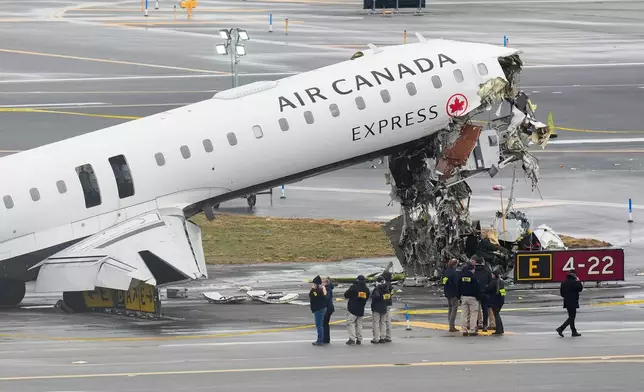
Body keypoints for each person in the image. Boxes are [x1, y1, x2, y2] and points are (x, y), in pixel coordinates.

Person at [344, 275, 370, 345]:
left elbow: (346, 295)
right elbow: (366, 298)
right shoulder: (366, 289)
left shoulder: (353, 287)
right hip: (361, 308)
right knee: (359, 324)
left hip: (352, 308)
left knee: (351, 323)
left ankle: (352, 339)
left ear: (357, 280)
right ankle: (359, 339)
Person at [557, 269, 583, 337]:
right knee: (572, 317)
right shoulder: (574, 282)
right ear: (574, 275)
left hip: (566, 301)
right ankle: (561, 328)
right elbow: (580, 288)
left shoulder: (563, 282)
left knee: (571, 317)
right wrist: (578, 281)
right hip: (573, 301)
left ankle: (573, 331)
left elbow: (562, 294)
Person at [458, 263, 480, 336]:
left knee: (464, 313)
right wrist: (478, 297)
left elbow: (458, 287)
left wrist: (459, 297)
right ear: (472, 270)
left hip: (463, 297)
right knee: (473, 313)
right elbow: (476, 288)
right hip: (472, 297)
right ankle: (472, 329)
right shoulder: (473, 277)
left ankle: (464, 329)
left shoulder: (461, 277)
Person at [474, 258, 492, 332]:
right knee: (485, 310)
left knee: (475, 310)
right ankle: (485, 325)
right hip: (485, 293)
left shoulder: (473, 271)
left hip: (475, 293)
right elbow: (490, 283)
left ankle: (477, 325)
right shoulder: (487, 271)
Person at [442, 258, 459, 332]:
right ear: (455, 264)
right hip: (453, 293)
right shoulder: (454, 273)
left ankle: (450, 324)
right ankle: (452, 326)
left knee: (450, 309)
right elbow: (456, 284)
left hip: (447, 292)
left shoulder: (446, 271)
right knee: (454, 310)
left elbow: (444, 281)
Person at [309, 275, 327, 346]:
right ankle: (321, 339)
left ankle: (320, 340)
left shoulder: (318, 290)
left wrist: (313, 290)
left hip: (319, 309)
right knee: (320, 325)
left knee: (319, 325)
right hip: (320, 308)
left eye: (314, 283)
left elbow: (315, 297)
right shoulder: (321, 288)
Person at [486, 270, 506, 335]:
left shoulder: (493, 282)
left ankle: (499, 330)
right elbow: (503, 293)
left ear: (494, 275)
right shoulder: (501, 282)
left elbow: (488, 290)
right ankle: (501, 329)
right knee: (497, 315)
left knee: (496, 315)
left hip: (494, 301)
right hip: (500, 301)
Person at [370, 276, 388, 344]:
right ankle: (382, 337)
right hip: (384, 307)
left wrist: (372, 296)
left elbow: (376, 296)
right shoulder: (386, 288)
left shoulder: (377, 288)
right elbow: (387, 297)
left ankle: (376, 338)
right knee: (383, 323)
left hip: (376, 307)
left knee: (376, 323)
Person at [381, 270, 394, 343]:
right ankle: (388, 336)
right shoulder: (391, 285)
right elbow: (391, 294)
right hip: (389, 303)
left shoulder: (386, 285)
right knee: (388, 320)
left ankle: (385, 336)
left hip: (385, 304)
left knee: (384, 321)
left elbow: (385, 295)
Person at [322, 277, 335, 344]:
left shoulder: (327, 289)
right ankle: (326, 339)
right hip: (329, 308)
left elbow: (327, 297)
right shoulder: (329, 288)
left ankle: (325, 339)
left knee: (324, 323)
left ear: (325, 283)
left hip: (327, 308)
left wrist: (323, 292)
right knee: (325, 324)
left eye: (322, 282)